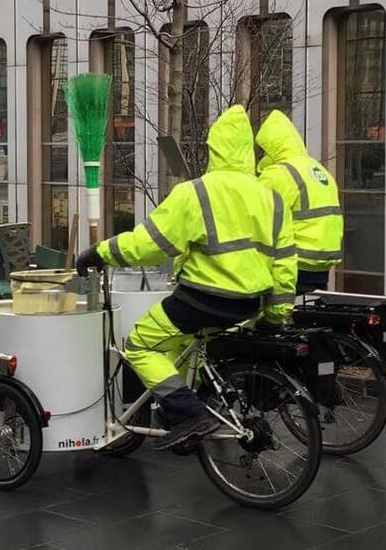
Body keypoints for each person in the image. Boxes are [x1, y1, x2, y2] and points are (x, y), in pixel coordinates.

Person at [76, 105, 297, 451]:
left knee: (141, 344)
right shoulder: (272, 198)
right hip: (250, 303)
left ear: (214, 148)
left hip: (203, 299)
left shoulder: (196, 193)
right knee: (182, 346)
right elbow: (285, 266)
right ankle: (199, 411)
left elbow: (149, 244)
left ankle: (189, 413)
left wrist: (100, 252)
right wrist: (274, 316)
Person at [255, 109, 343, 295]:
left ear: (271, 147)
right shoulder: (317, 169)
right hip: (321, 266)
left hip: (295, 263)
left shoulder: (280, 173)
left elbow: (256, 216)